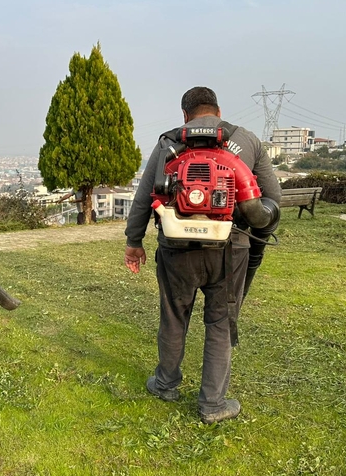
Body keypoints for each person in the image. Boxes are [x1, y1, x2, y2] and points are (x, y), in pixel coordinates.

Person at [124, 86, 281, 424]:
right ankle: (212, 404)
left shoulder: (167, 142)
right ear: (218, 111)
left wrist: (134, 241)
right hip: (231, 249)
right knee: (221, 323)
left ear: (185, 115)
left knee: (173, 317)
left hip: (175, 246)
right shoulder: (247, 140)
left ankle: (165, 384)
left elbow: (143, 197)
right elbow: (273, 199)